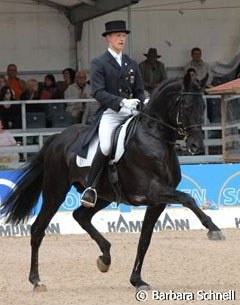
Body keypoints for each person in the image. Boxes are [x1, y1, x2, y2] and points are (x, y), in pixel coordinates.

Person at [80, 20, 145, 208]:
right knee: (107, 146)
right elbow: (97, 92)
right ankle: (90, 188)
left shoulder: (131, 63)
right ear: (108, 38)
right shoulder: (99, 63)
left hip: (133, 111)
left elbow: (140, 89)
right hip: (111, 112)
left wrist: (143, 101)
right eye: (117, 35)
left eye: (123, 35)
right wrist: (121, 102)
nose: (121, 38)